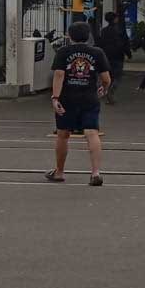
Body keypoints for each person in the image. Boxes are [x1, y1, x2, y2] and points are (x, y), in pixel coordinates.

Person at [46, 21, 111, 186]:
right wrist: (104, 88)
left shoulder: (63, 52)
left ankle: (59, 171)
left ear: (69, 35)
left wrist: (55, 98)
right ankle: (95, 173)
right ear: (88, 35)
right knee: (92, 133)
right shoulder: (97, 52)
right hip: (89, 98)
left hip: (67, 98)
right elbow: (106, 78)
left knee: (63, 134)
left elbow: (59, 75)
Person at [97, 11, 131, 105]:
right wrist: (128, 54)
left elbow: (100, 43)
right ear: (115, 19)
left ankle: (105, 90)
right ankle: (111, 91)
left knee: (108, 75)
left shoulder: (104, 31)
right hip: (118, 56)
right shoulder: (120, 30)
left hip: (106, 56)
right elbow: (125, 43)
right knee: (117, 76)